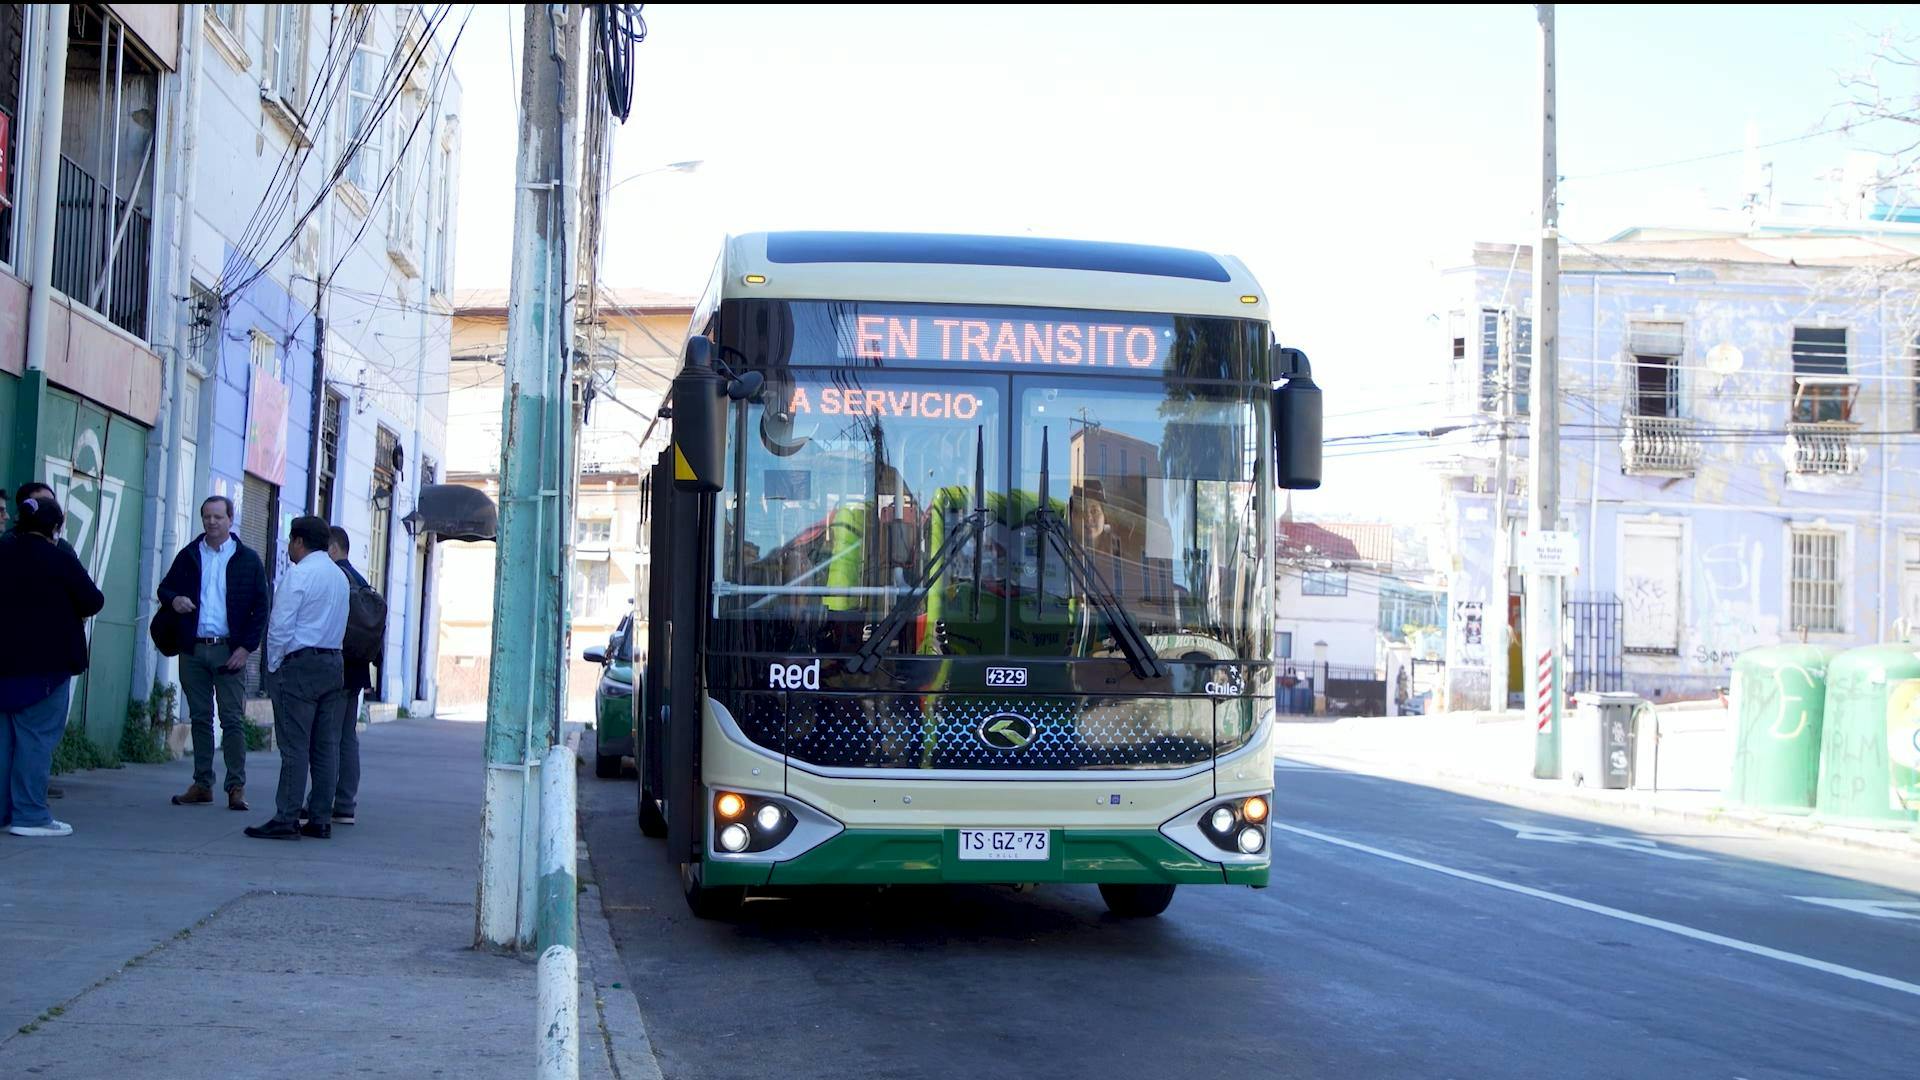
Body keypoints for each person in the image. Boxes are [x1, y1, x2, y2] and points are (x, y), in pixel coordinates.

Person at [0, 490, 104, 837]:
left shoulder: (3, 552)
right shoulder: (59, 558)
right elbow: (92, 600)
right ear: (56, 527)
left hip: (4, 665)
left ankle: (4, 812)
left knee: (4, 742)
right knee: (35, 740)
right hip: (47, 668)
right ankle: (30, 815)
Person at [158, 496, 270, 811]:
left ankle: (236, 787)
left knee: (232, 719)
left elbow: (261, 608)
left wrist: (246, 648)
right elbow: (164, 589)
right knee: (200, 718)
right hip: (193, 648)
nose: (211, 522)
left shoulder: (247, 559)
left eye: (218, 516)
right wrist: (175, 600)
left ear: (230, 519)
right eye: (207, 516)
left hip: (229, 650)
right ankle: (202, 783)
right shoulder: (190, 555)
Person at [246, 516, 348, 841]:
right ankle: (320, 818)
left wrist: (274, 665)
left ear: (299, 542)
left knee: (294, 745)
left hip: (301, 665)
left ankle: (287, 817)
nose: (289, 547)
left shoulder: (299, 574)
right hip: (333, 662)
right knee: (325, 745)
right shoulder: (339, 576)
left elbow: (280, 626)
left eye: (291, 541)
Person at [313, 526, 375, 827]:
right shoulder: (360, 580)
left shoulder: (337, 577)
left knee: (329, 737)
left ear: (333, 549)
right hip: (357, 668)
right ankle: (346, 804)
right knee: (347, 736)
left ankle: (322, 803)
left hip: (338, 666)